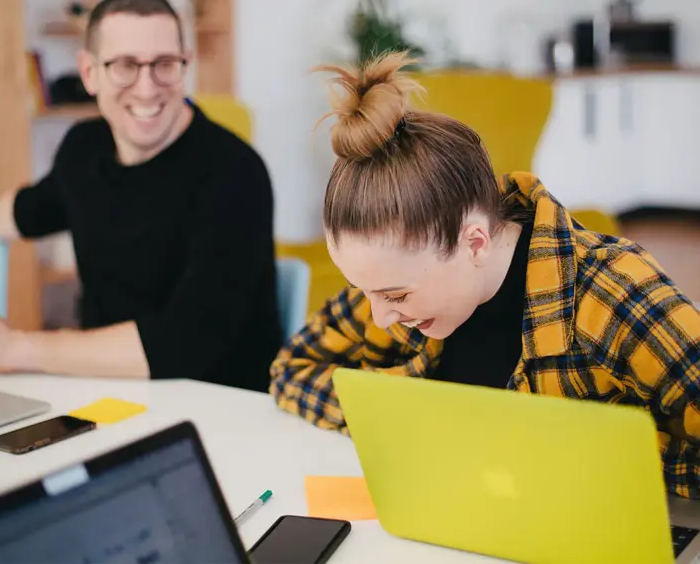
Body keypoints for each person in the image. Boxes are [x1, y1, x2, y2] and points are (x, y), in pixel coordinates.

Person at [269, 50, 700, 498]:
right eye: (366, 291)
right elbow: (291, 369)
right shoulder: (396, 282)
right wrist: (406, 415)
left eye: (395, 296)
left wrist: (599, 451)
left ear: (474, 242)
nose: (379, 317)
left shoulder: (614, 294)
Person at [0, 0, 282, 392]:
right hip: (105, 392)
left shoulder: (236, 172)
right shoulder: (84, 148)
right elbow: (29, 210)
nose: (147, 89)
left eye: (164, 64)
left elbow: (186, 342)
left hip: (221, 407)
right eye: (125, 66)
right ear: (90, 73)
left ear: (185, 66)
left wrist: (15, 348)